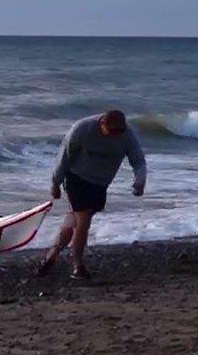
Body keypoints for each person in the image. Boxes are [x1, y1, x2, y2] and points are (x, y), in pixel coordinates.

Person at [38, 110, 146, 279]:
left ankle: (53, 253)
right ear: (102, 123)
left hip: (101, 183)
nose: (115, 135)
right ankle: (78, 266)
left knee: (74, 221)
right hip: (76, 178)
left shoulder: (126, 135)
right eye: (112, 131)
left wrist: (140, 181)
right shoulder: (82, 129)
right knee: (84, 219)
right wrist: (55, 183)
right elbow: (63, 157)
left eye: (120, 131)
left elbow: (138, 160)